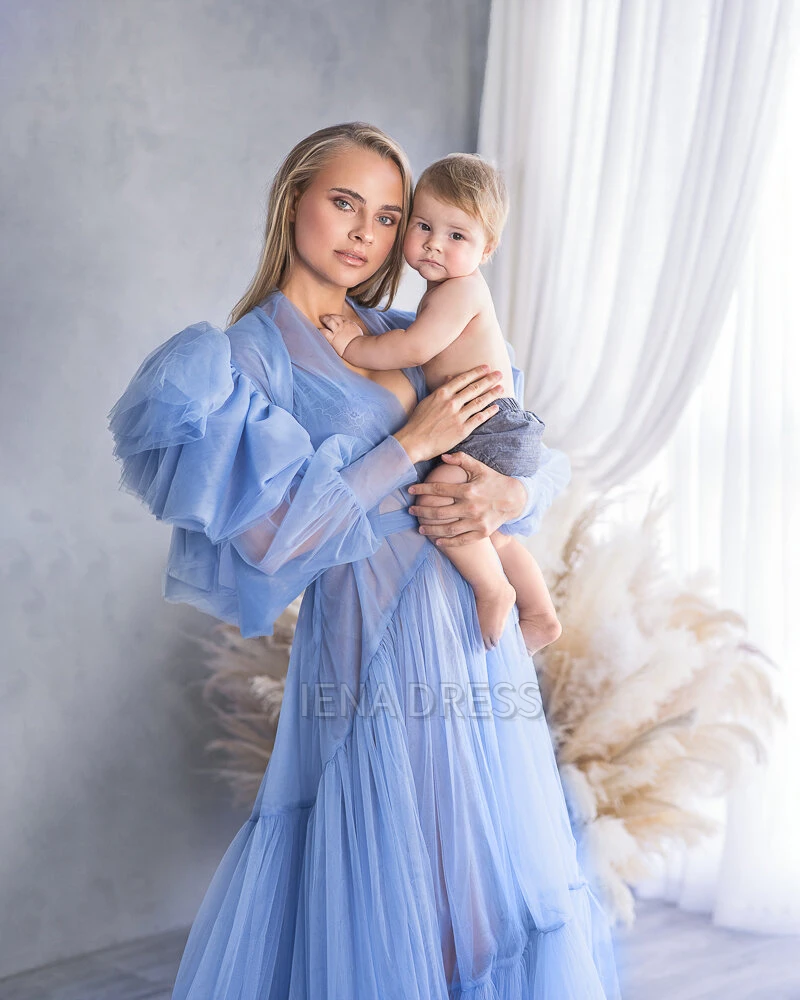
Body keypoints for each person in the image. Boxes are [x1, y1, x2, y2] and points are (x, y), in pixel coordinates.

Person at [108, 122, 621, 999]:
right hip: (370, 649)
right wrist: (409, 443)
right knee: (396, 889)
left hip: (471, 634)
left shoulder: (406, 324)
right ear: (293, 200)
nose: (365, 234)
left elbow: (527, 453)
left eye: (388, 217)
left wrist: (508, 499)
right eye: (345, 203)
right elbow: (277, 539)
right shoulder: (246, 360)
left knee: (484, 890)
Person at [319, 153, 562, 655]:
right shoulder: (441, 293)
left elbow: (414, 348)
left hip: (490, 428)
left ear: (486, 248)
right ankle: (539, 612)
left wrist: (352, 345)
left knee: (439, 506)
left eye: (457, 236)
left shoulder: (459, 292)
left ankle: (494, 590)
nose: (434, 243)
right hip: (488, 428)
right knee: (482, 531)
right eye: (424, 226)